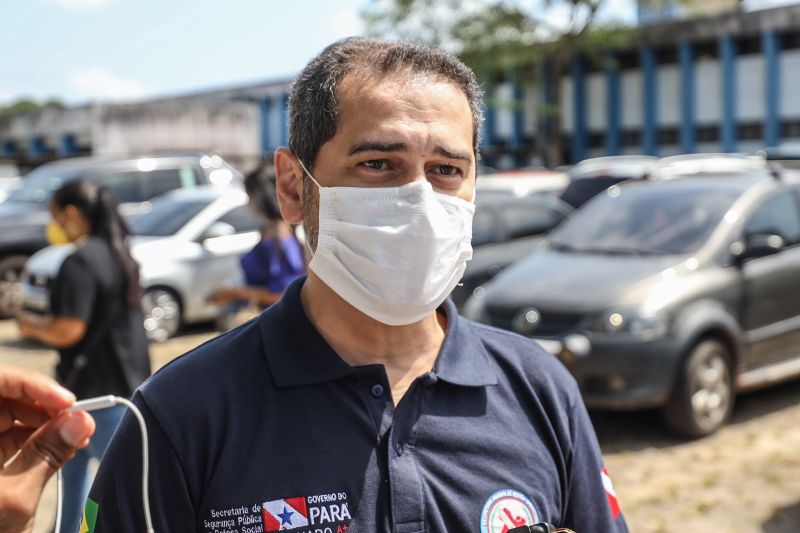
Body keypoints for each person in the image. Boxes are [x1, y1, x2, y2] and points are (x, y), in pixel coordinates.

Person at [85, 38, 628, 532]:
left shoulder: (539, 390)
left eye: (445, 170)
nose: (418, 198)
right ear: (294, 186)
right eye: (377, 164)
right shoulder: (183, 411)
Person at [16, 180, 151, 533]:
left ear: (71, 214)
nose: (55, 226)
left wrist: (30, 325)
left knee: (84, 491)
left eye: (56, 217)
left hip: (90, 398)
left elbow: (68, 330)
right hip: (127, 391)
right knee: (115, 490)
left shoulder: (80, 262)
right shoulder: (123, 255)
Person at [209, 159, 305, 327]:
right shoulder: (276, 232)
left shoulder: (279, 236)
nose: (247, 204)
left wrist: (234, 293)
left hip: (275, 324)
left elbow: (283, 292)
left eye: (249, 197)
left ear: (261, 197)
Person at [0, 364, 95, 533]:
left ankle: (82, 528)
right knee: (96, 482)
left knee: (94, 482)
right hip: (92, 394)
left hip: (98, 393)